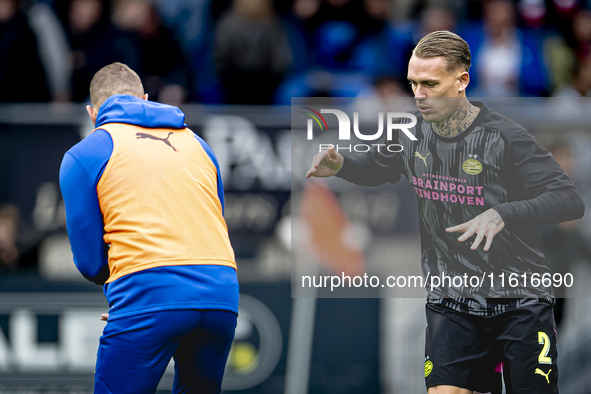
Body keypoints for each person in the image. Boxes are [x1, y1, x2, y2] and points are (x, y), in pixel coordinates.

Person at [306, 31, 585, 394]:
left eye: (430, 84)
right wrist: (342, 164)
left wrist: (503, 213)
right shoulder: (412, 135)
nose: (419, 95)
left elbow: (569, 200)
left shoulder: (507, 138)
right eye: (413, 83)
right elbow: (379, 165)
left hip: (520, 303)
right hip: (452, 301)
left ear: (461, 81)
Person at [59, 62, 238, 393]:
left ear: (91, 112)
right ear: (144, 98)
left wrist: (130, 296)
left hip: (147, 294)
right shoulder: (200, 145)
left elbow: (91, 263)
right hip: (221, 296)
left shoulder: (84, 153)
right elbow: (214, 221)